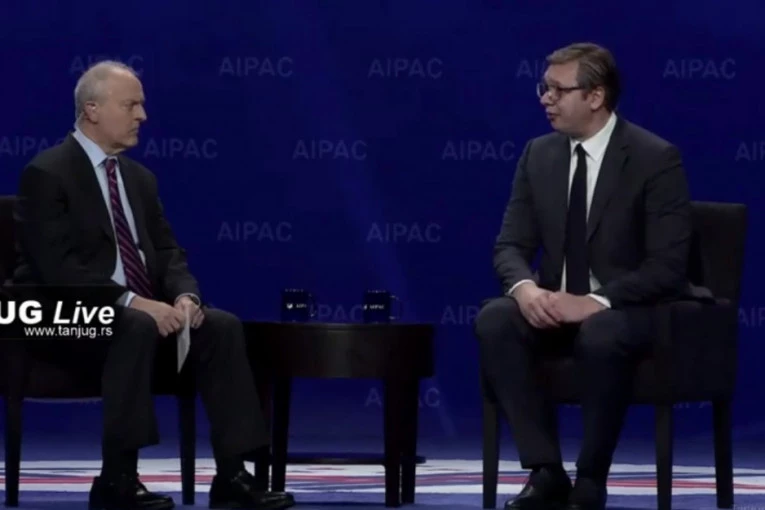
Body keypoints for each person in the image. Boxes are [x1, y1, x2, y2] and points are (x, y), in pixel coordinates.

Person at [11, 61, 295, 510]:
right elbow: (58, 271)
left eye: (141, 105)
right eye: (131, 105)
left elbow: (166, 252)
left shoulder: (139, 179)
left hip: (133, 319)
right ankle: (117, 479)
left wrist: (184, 296)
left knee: (220, 327)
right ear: (92, 109)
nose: (142, 115)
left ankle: (233, 475)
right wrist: (134, 302)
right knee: (135, 324)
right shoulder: (47, 173)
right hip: (57, 319)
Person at [474, 42, 698, 510]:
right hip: (556, 306)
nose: (546, 99)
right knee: (496, 318)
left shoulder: (654, 157)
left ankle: (592, 477)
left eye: (558, 90)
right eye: (544, 88)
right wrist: (526, 289)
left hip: (629, 311)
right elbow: (510, 245)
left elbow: (667, 266)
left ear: (596, 96)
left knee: (601, 332)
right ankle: (546, 471)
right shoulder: (538, 155)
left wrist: (595, 302)